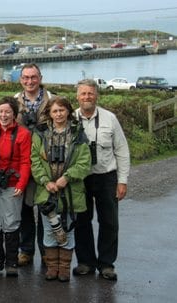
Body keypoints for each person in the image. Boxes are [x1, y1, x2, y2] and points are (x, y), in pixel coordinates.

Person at [73, 79, 130, 281]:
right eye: (83, 94)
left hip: (107, 176)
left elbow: (122, 150)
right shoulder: (71, 119)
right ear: (77, 96)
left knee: (109, 221)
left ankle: (106, 264)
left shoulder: (110, 118)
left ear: (97, 95)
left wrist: (122, 181)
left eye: (90, 93)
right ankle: (85, 262)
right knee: (81, 221)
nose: (87, 97)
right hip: (80, 179)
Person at [30, 96, 91, 282]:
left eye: (62, 110)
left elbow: (84, 162)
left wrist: (66, 177)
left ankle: (64, 268)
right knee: (49, 229)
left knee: (68, 229)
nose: (58, 114)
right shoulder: (40, 133)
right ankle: (52, 267)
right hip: (46, 190)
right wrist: (45, 181)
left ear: (68, 112)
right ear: (49, 113)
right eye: (55, 111)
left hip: (71, 192)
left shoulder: (78, 133)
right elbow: (34, 160)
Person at [0, 96, 31, 277]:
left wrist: (21, 184)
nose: (3, 115)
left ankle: (12, 262)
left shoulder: (23, 134)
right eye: (1, 112)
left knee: (11, 221)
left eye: (8, 112)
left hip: (13, 183)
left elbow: (26, 162)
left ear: (14, 114)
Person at [14, 63, 55, 266]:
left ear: (40, 77)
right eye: (25, 77)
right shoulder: (14, 102)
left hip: (47, 163)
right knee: (24, 209)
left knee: (46, 207)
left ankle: (46, 250)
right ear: (21, 79)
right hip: (22, 163)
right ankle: (26, 250)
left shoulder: (53, 100)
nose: (29, 81)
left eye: (33, 77)